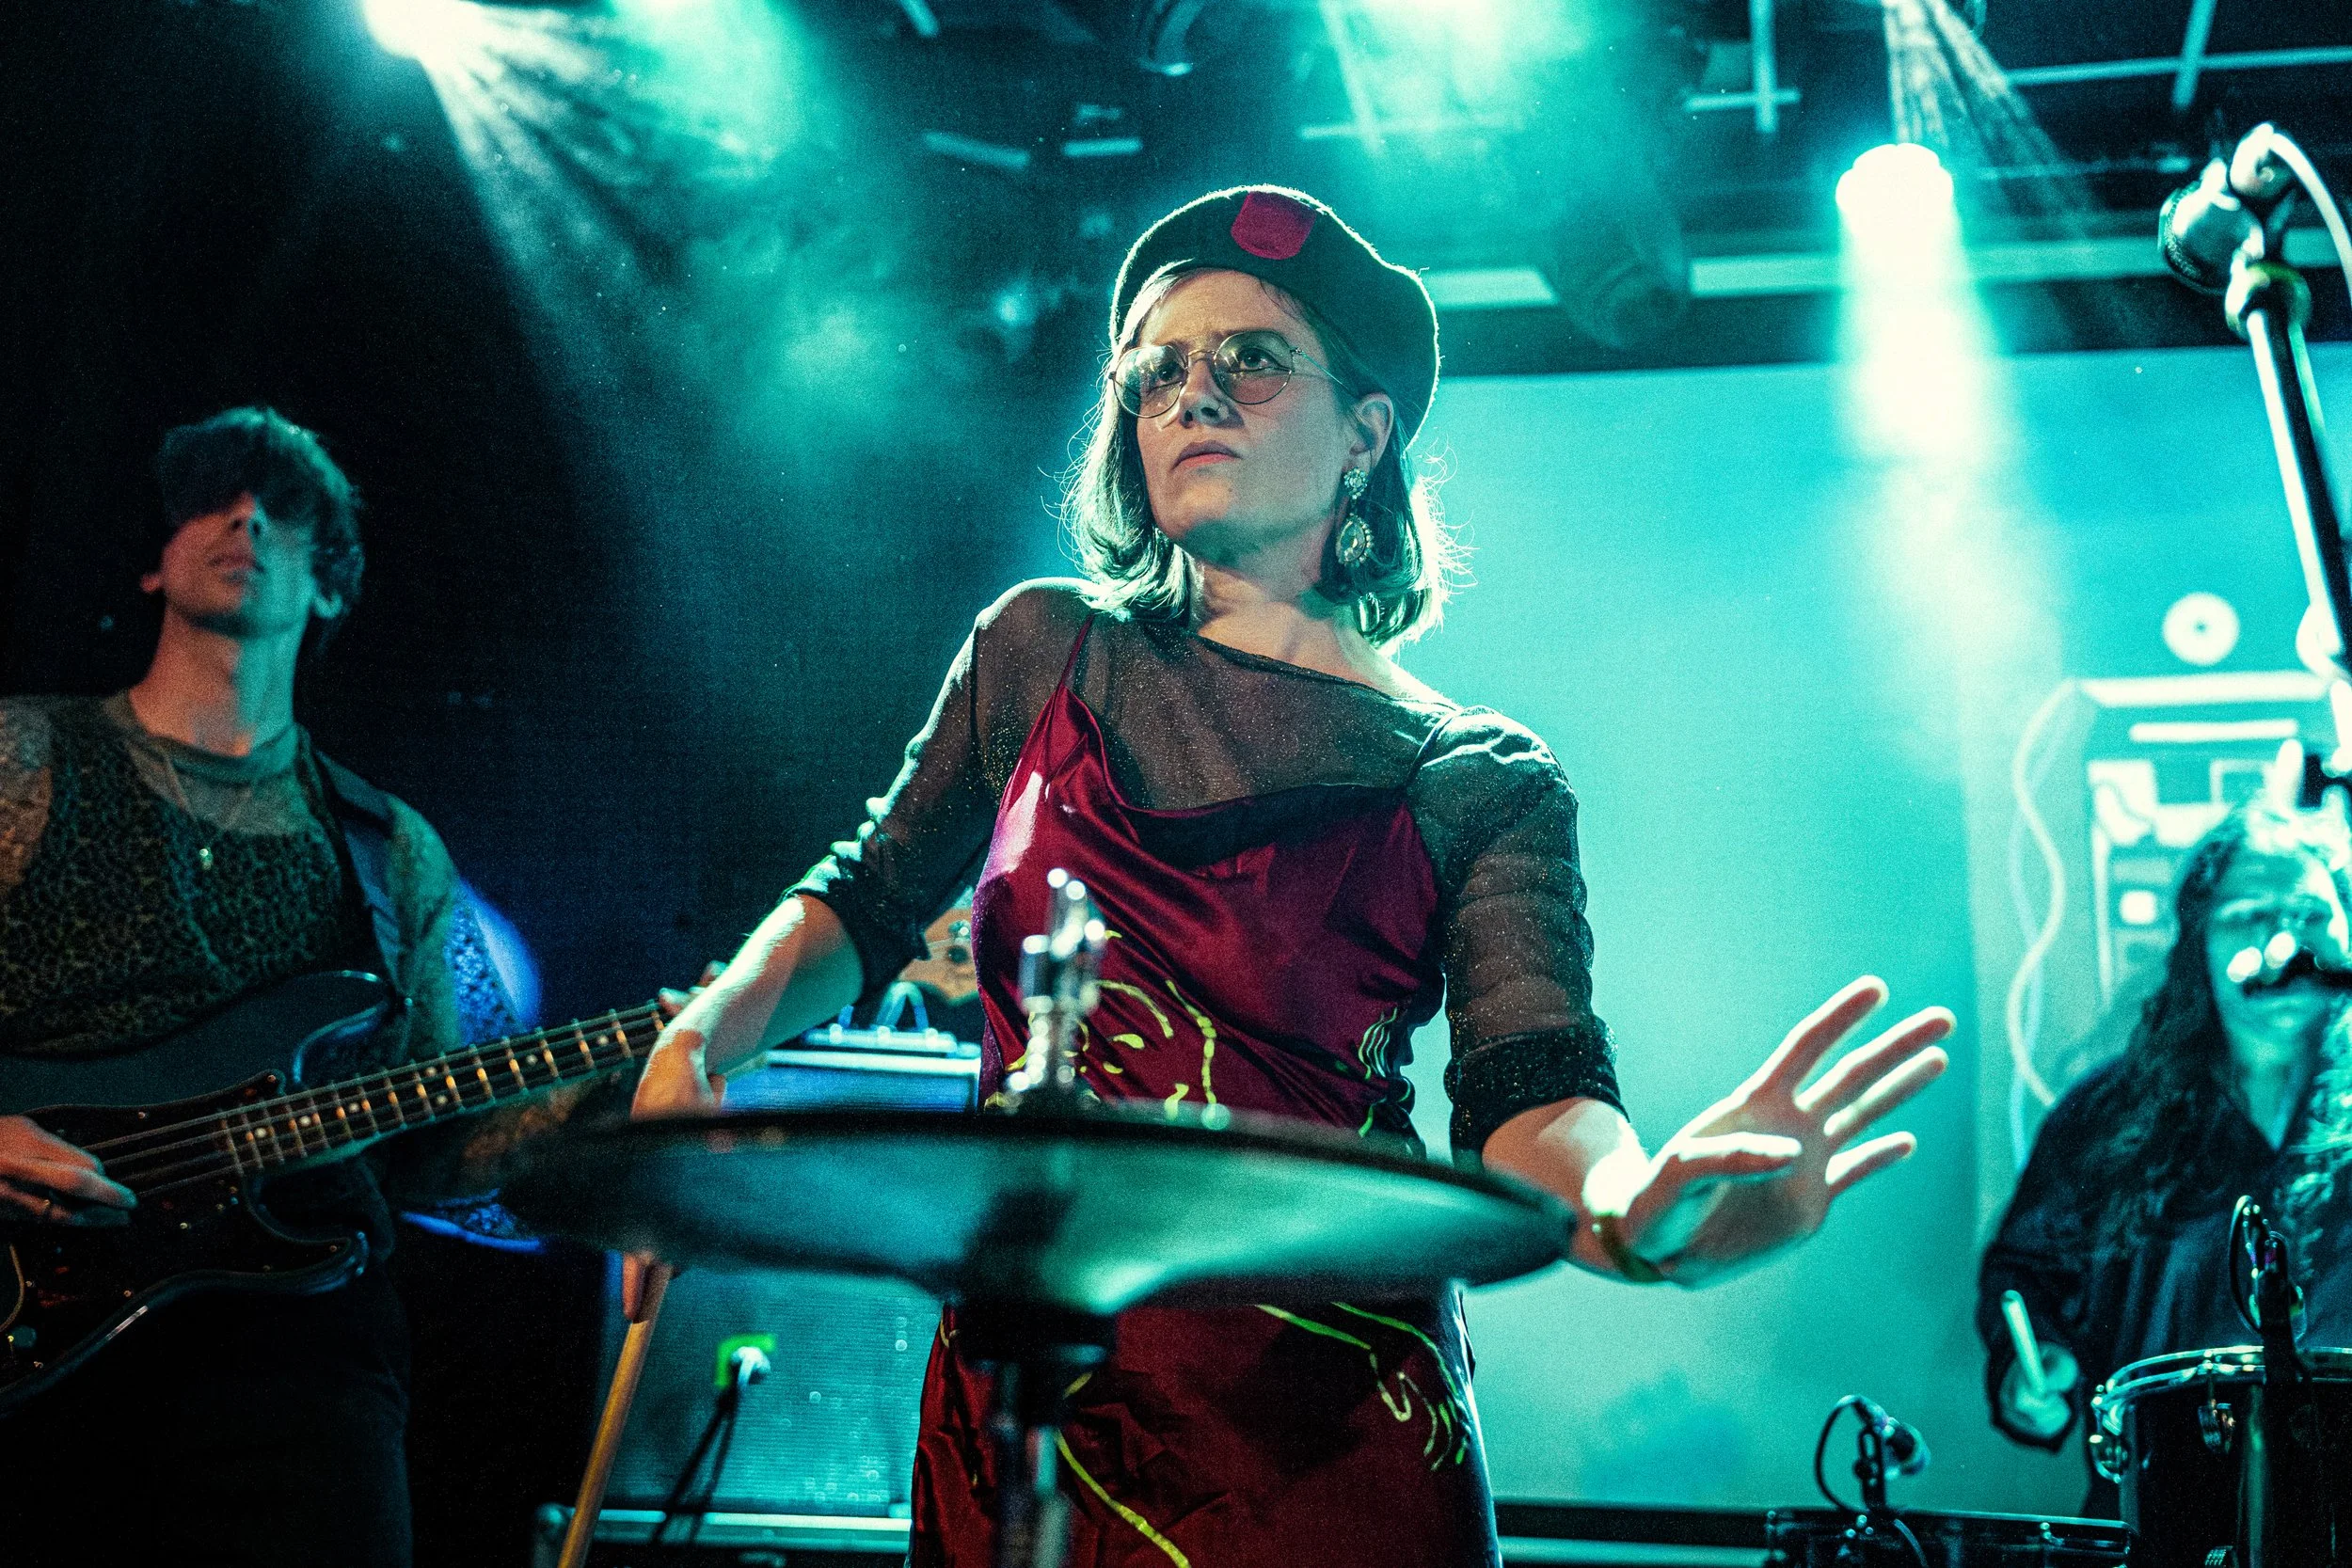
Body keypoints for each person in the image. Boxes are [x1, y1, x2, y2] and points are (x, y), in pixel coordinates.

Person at [630, 186, 1952, 1567]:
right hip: (1031, 1404)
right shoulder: (1037, 651)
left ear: (1365, 436)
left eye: (1250, 358)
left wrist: (1632, 1214)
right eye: (1154, 370)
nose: (1191, 391)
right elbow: (870, 894)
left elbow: (1531, 1092)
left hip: (1320, 1446)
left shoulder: (1476, 774)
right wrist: (703, 1031)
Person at [0, 408, 589, 1566]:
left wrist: (617, 1100)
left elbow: (434, 1146)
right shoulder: (22, 760)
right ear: (155, 556)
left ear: (330, 584)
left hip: (298, 1357)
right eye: (213, 496)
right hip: (31, 1311)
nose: (248, 516)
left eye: (287, 509)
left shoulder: (390, 843)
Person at [1978, 799, 2352, 1512]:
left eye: (2309, 914)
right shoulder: (2108, 1115)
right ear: (2197, 945)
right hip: (2162, 1511)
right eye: (2249, 916)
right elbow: (2026, 1274)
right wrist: (2029, 1366)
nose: (2284, 941)